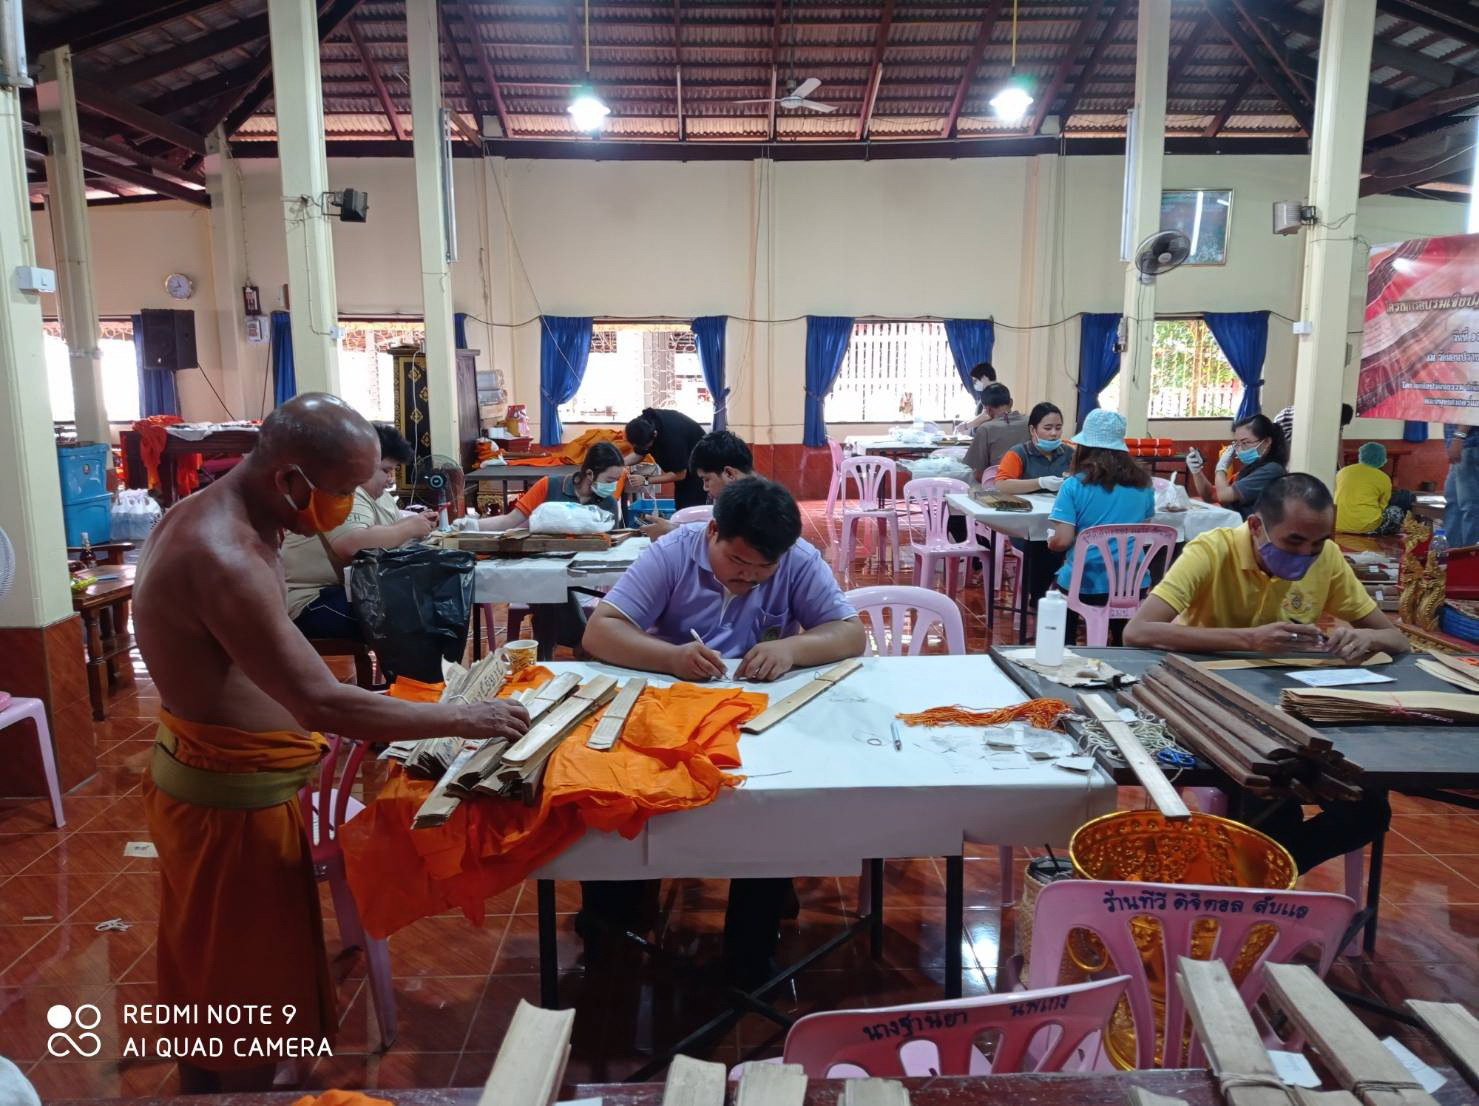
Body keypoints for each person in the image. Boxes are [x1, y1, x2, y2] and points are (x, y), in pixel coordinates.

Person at [132, 393, 530, 1093]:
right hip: (231, 793)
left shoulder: (239, 518)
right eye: (344, 491)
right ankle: (230, 1081)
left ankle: (231, 1059)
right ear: (290, 480)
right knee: (234, 973)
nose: (349, 507)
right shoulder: (221, 553)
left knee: (229, 955)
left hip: (243, 773)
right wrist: (464, 719)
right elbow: (319, 701)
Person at [582, 477, 866, 982]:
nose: (749, 579)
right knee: (621, 793)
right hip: (670, 706)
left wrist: (791, 649)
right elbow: (600, 631)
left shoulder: (796, 559)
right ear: (713, 530)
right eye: (737, 563)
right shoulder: (671, 554)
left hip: (759, 713)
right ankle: (615, 922)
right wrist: (670, 658)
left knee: (773, 801)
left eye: (763, 570)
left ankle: (750, 952)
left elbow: (850, 634)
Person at [1124, 473, 1409, 872]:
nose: (1306, 554)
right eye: (1294, 541)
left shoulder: (1324, 561)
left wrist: (1366, 638)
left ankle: (1270, 875)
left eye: (1318, 543)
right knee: (1270, 800)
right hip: (1215, 706)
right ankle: (1261, 880)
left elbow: (1397, 640)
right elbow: (1137, 631)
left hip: (1295, 709)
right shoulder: (1210, 551)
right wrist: (1249, 639)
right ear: (1256, 526)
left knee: (1369, 810)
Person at [282, 423, 434, 638]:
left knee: (427, 604)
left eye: (393, 471)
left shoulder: (381, 497)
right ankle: (417, 673)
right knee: (411, 617)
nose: (391, 479)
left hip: (350, 591)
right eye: (385, 470)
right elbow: (351, 544)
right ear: (361, 464)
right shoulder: (340, 491)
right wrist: (409, 527)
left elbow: (388, 534)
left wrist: (415, 524)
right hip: (313, 601)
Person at [1044, 409, 1156, 641]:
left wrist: (1050, 541)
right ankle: (1121, 649)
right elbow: (1141, 533)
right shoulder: (1144, 485)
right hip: (1133, 583)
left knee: (1056, 593)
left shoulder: (1074, 486)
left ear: (1084, 447)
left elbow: (1062, 541)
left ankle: (1064, 650)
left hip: (1087, 583)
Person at [459, 441, 625, 532]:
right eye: (610, 480)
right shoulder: (549, 486)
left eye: (616, 480)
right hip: (547, 564)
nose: (613, 486)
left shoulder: (608, 504)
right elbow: (510, 520)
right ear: (589, 474)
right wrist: (469, 526)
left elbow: (612, 544)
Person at [639, 430, 755, 539]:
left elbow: (733, 538)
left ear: (729, 474)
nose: (705, 488)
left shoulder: (761, 507)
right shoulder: (745, 501)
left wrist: (675, 530)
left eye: (707, 479)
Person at [1186, 413, 1287, 519]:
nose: (1239, 449)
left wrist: (1221, 468)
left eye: (1245, 442)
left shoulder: (1272, 470)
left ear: (1266, 442)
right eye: (1237, 444)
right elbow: (1211, 496)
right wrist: (1196, 471)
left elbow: (1223, 495)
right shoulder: (1249, 470)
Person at [624, 407, 708, 510]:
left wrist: (645, 480)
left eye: (647, 446)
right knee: (680, 505)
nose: (645, 449)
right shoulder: (642, 425)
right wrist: (619, 463)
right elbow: (639, 453)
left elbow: (680, 474)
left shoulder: (672, 440)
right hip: (683, 464)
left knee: (689, 510)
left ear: (655, 435)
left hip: (699, 468)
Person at [993, 402, 1072, 496]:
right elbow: (1001, 485)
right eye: (1048, 428)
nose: (1054, 433)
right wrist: (1039, 483)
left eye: (1058, 428)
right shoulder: (1018, 453)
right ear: (1032, 430)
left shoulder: (1069, 453)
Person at [1335, 442, 1413, 535]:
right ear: (1382, 459)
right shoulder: (1383, 478)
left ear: (1361, 456)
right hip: (1365, 526)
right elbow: (1383, 505)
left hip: (1337, 524)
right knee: (1399, 506)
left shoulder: (1343, 471)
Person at [963, 383, 1030, 482]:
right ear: (1011, 402)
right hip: (1029, 483)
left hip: (998, 485)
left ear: (988, 409)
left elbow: (978, 472)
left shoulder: (985, 429)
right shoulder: (1031, 422)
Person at [1275, 402, 1353, 461]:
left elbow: (1338, 444)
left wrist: (1342, 470)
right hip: (1284, 424)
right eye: (1340, 424)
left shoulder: (1337, 420)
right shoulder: (1318, 415)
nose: (1340, 426)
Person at [1444, 422, 1479, 548]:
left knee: (1471, 507)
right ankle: (1451, 556)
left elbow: (1472, 406)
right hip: (1463, 445)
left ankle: (1470, 559)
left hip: (1471, 444)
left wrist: (1459, 436)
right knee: (1453, 504)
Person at [954, 361, 999, 434]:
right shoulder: (994, 390)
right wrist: (967, 423)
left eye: (975, 381)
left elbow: (986, 416)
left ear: (984, 377)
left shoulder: (993, 392)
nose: (974, 384)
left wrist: (965, 426)